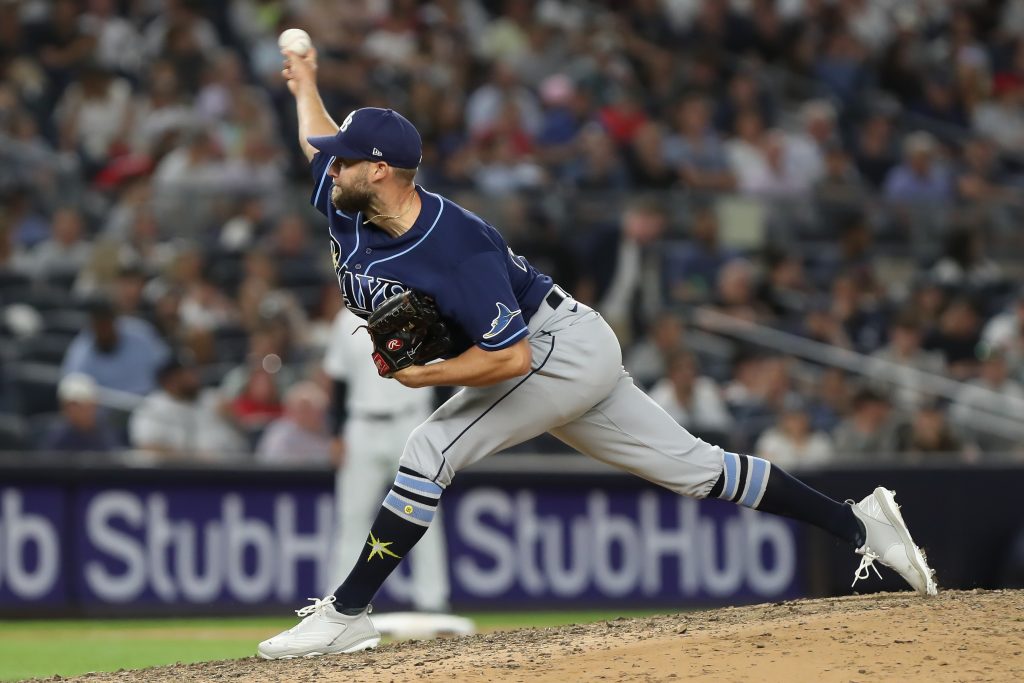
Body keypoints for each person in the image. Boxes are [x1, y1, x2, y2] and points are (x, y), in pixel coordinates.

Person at [258, 45, 937, 660]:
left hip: (555, 351)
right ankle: (861, 525)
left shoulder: (455, 246)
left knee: (429, 448)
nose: (331, 164)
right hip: (567, 349)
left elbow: (511, 360)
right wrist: (306, 82)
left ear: (381, 170)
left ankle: (347, 612)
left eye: (346, 156)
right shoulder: (348, 198)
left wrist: (425, 374)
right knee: (698, 470)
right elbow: (315, 141)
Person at [322, 304, 449, 613]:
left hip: (413, 420)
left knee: (424, 513)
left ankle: (432, 600)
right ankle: (337, 603)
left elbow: (444, 373)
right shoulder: (345, 320)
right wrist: (337, 432)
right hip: (361, 424)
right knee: (353, 516)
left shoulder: (417, 310)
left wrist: (442, 425)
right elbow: (338, 382)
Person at [38, 372, 121, 453]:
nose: (74, 410)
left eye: (80, 404)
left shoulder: (105, 433)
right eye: (70, 405)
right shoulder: (56, 437)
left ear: (93, 404)